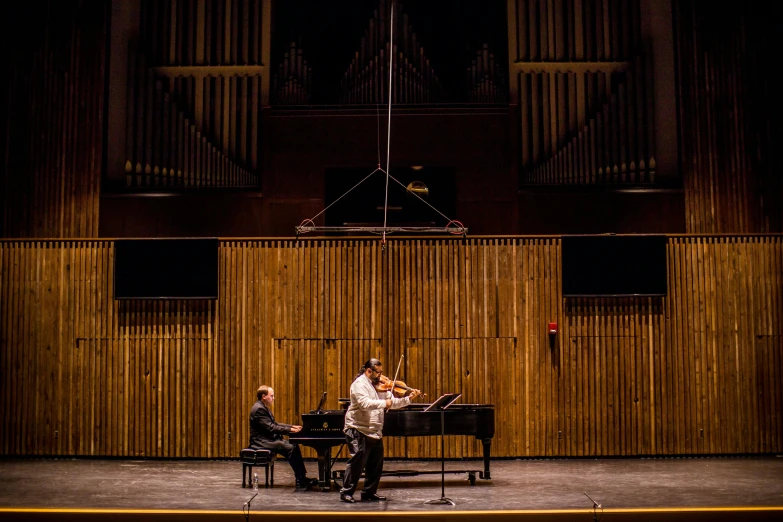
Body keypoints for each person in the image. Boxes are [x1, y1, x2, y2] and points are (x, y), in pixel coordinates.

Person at [339, 358, 421, 503]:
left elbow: (393, 403)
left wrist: (408, 398)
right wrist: (385, 402)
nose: (382, 377)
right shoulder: (359, 385)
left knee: (375, 464)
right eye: (379, 372)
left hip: (374, 430)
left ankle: (369, 493)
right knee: (357, 462)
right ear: (368, 371)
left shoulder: (380, 386)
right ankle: (346, 492)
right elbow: (364, 404)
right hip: (357, 428)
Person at [248, 385, 318, 490]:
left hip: (266, 439)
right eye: (271, 396)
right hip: (260, 441)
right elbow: (271, 427)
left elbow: (274, 423)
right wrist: (289, 430)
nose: (273, 398)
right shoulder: (259, 409)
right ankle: (301, 480)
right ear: (264, 396)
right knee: (291, 448)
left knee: (293, 445)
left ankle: (301, 478)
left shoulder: (262, 407)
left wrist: (291, 427)